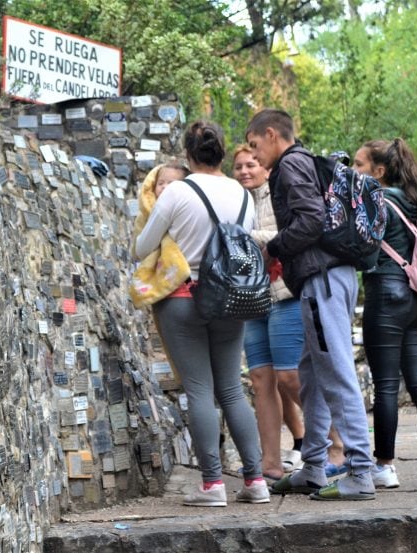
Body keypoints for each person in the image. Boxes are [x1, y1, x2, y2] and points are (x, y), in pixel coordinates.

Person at [135, 121, 269, 506]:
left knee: (199, 389)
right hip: (231, 299)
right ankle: (255, 480)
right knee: (230, 388)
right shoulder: (241, 192)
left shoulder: (178, 190)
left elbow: (142, 247)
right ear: (223, 153)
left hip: (184, 296)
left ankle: (212, 484)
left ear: (188, 154)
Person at [246, 108, 375, 501]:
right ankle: (314, 466)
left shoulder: (289, 166)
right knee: (312, 373)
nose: (254, 155)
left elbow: (311, 220)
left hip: (322, 281)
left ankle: (361, 471)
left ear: (271, 135)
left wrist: (274, 247)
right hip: (327, 278)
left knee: (335, 371)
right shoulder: (302, 162)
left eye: (255, 146)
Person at [353, 138, 417, 487]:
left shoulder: (376, 202)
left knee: (387, 386)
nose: (353, 172)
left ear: (379, 171)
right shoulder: (414, 203)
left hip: (387, 298)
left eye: (360, 165)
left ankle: (385, 466)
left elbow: (363, 252)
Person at [232, 144, 304, 480]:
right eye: (239, 167)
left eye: (251, 164)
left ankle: (338, 442)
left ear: (265, 168)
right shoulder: (234, 201)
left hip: (285, 293)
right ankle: (271, 462)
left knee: (289, 377)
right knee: (261, 381)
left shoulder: (278, 193)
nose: (245, 171)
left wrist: (244, 237)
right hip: (252, 298)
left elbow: (290, 234)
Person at [129, 163, 192, 308]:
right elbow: (139, 235)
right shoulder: (148, 210)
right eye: (160, 183)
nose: (164, 187)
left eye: (171, 183)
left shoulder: (181, 208)